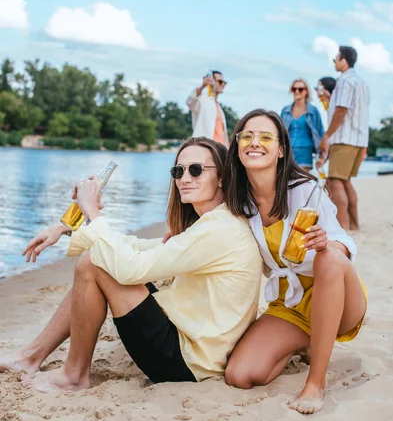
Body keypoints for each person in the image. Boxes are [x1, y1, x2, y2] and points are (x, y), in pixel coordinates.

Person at [0, 137, 262, 392]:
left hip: (188, 362)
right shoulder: (214, 221)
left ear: (222, 178)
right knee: (104, 258)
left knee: (94, 263)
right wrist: (66, 227)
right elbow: (139, 248)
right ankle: (31, 357)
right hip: (195, 346)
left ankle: (74, 375)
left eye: (196, 170)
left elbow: (130, 268)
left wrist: (93, 212)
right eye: (178, 170)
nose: (184, 178)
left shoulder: (219, 228)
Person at [223, 109, 367, 415]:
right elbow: (207, 214)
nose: (255, 142)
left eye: (265, 137)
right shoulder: (239, 201)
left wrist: (329, 244)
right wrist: (177, 229)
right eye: (247, 136)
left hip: (337, 297)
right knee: (241, 375)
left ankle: (315, 383)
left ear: (281, 150)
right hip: (289, 304)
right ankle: (302, 344)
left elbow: (347, 242)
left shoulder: (306, 190)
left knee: (328, 257)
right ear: (237, 145)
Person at [319, 46, 370, 230]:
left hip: (345, 138)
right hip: (359, 138)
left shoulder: (345, 82)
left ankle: (343, 226)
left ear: (344, 60)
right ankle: (354, 224)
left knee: (335, 180)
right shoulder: (361, 82)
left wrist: (326, 136)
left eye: (336, 59)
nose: (334, 62)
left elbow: (341, 111)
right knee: (345, 179)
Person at [281, 78, 324, 170]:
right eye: (294, 89)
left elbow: (320, 132)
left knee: (303, 180)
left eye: (300, 89)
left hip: (305, 151)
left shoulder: (313, 111)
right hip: (287, 150)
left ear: (306, 91)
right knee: (286, 180)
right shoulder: (285, 111)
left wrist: (322, 156)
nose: (297, 91)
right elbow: (279, 132)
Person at [186, 70, 229, 146]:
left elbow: (223, 133)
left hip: (220, 150)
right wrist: (203, 86)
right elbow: (190, 102)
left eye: (224, 82)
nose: (223, 84)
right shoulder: (203, 99)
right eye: (220, 82)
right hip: (205, 147)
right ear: (212, 81)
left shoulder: (219, 107)